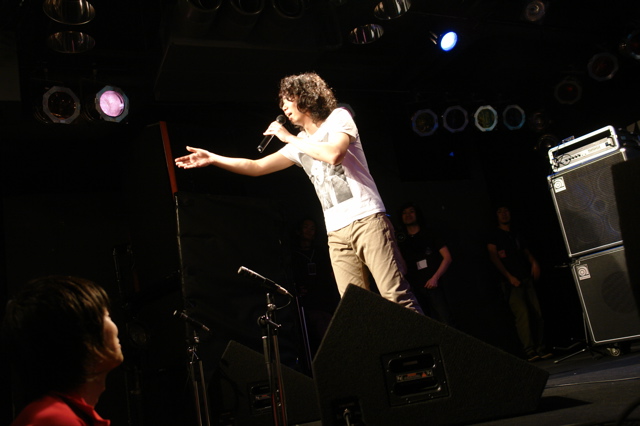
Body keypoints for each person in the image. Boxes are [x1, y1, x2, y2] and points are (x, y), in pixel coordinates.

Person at [175, 72, 423, 314]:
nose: (283, 106)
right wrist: (213, 158)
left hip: (367, 219)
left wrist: (288, 138)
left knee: (395, 297)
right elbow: (256, 167)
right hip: (336, 232)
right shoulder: (299, 142)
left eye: (288, 99)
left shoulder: (338, 118)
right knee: (356, 308)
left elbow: (334, 154)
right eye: (281, 102)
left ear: (306, 97)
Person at [1, 275, 124, 426]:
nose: (115, 327)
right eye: (106, 315)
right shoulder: (55, 419)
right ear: (80, 336)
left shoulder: (59, 414)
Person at [486, 205, 552, 362]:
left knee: (537, 314)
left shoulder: (515, 233)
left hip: (525, 277)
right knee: (523, 315)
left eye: (506, 211)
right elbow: (493, 256)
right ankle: (529, 350)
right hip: (511, 282)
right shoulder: (494, 235)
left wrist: (534, 262)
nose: (504, 214)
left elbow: (525, 251)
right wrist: (509, 276)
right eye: (500, 212)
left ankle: (540, 348)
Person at [396, 202, 456, 326]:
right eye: (404, 213)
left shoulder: (429, 234)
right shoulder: (401, 240)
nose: (408, 215)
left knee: (445, 320)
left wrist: (435, 278)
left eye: (411, 211)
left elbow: (447, 258)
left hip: (433, 285)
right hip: (414, 288)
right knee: (423, 323)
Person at [290, 217, 340, 357]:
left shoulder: (320, 251)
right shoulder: (292, 254)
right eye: (306, 227)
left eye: (312, 228)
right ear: (299, 230)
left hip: (324, 298)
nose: (309, 231)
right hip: (306, 301)